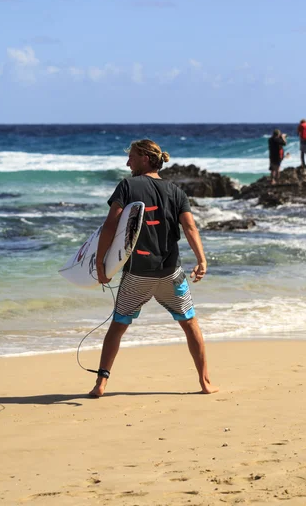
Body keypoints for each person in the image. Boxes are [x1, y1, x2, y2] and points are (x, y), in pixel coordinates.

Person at [89, 139, 218, 398]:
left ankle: (101, 384)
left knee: (118, 326)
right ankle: (205, 383)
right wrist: (202, 260)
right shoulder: (176, 191)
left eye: (132, 157)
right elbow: (190, 227)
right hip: (171, 273)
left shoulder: (127, 186)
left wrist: (101, 263)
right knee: (190, 323)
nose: (128, 163)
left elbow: (110, 225)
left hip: (137, 275)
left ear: (146, 158)